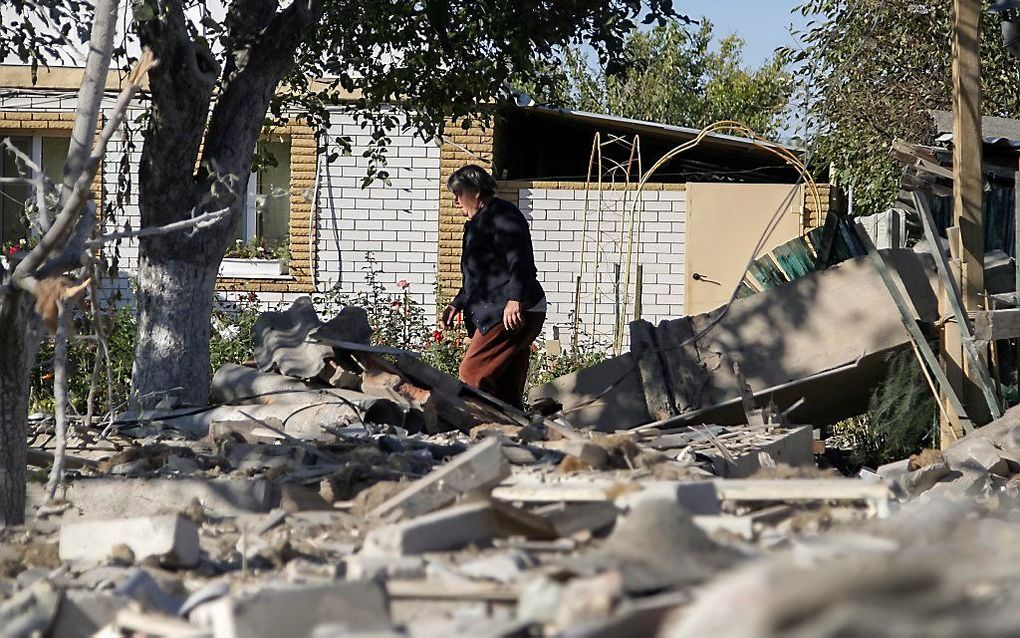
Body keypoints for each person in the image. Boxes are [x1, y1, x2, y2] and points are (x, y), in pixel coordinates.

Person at [441, 164, 546, 408]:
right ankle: (512, 436)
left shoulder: (503, 215)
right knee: (503, 388)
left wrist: (515, 299)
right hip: (505, 308)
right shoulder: (478, 223)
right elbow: (480, 275)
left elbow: (521, 260)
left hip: (513, 310)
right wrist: (458, 303)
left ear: (476, 191)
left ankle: (473, 427)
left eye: (459, 194)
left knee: (472, 373)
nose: (456, 202)